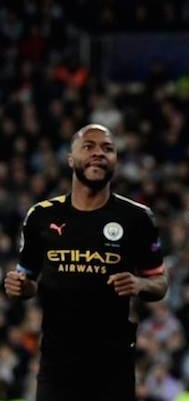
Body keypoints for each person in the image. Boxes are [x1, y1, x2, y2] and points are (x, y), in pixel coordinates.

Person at [3, 124, 168, 401]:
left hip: (113, 361)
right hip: (58, 360)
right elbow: (27, 280)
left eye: (108, 148)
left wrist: (139, 284)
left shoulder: (138, 218)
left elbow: (160, 283)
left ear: (115, 159)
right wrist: (18, 287)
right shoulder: (41, 216)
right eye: (88, 146)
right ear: (70, 159)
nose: (99, 153)